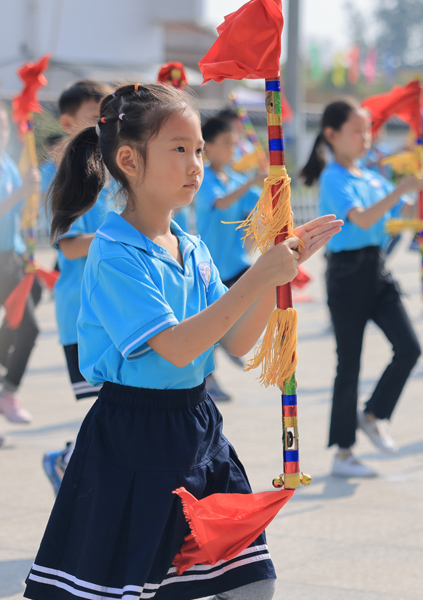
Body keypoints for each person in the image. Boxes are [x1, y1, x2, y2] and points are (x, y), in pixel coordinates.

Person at [24, 82, 341, 600]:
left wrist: (276, 277)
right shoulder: (113, 252)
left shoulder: (192, 249)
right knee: (138, 589)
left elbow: (236, 341)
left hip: (197, 429)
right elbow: (175, 346)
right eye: (179, 149)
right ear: (128, 159)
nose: (195, 163)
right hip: (133, 437)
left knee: (252, 584)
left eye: (198, 150)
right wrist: (258, 277)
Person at [299, 98, 423, 478]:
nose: (365, 137)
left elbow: (396, 215)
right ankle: (344, 453)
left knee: (409, 347)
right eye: (356, 130)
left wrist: (414, 183)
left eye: (368, 129)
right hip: (346, 274)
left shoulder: (371, 176)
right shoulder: (334, 177)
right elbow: (359, 219)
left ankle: (373, 414)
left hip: (376, 268)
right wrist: (399, 189)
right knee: (350, 363)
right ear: (332, 135)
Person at [40, 79, 116, 493]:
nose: (102, 125)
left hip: (117, 307)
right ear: (68, 122)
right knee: (106, 414)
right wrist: (122, 240)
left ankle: (70, 461)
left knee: (117, 413)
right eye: (93, 117)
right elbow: (69, 248)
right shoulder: (61, 172)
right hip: (83, 316)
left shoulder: (113, 166)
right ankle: (66, 461)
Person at [193, 115, 268, 400]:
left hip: (237, 263)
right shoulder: (203, 179)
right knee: (204, 331)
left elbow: (260, 205)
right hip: (208, 268)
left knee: (258, 291)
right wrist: (251, 181)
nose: (232, 149)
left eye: (234, 143)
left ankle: (231, 339)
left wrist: (271, 185)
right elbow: (222, 202)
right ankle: (210, 380)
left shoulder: (237, 180)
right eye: (226, 143)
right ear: (207, 147)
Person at [0, 103, 42, 426]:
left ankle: (4, 381)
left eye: (3, 127)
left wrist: (32, 192)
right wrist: (21, 195)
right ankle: (8, 389)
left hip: (11, 257)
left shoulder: (9, 165)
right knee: (28, 327)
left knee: (35, 296)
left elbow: (22, 213)